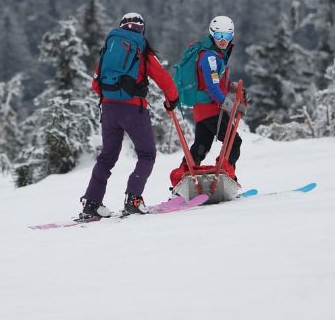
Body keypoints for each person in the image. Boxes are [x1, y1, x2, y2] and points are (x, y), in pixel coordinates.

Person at [80, 12, 180, 219]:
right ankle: (133, 199)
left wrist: (112, 95)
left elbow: (95, 84)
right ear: (142, 29)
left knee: (107, 157)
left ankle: (92, 202)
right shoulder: (143, 50)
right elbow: (164, 79)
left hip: (108, 108)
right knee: (147, 154)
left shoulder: (110, 48)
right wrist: (172, 99)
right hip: (133, 109)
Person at [183, 15, 245, 177]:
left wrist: (234, 90)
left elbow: (218, 82)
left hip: (203, 110)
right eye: (219, 35)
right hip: (211, 110)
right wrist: (230, 105)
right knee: (234, 141)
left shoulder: (216, 55)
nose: (223, 40)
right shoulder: (210, 58)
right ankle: (225, 174)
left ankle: (182, 176)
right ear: (212, 34)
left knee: (201, 146)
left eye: (227, 36)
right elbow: (212, 86)